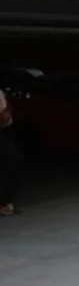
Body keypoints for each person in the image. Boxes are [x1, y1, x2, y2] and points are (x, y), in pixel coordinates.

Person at [0, 87, 21, 216]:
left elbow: (7, 101)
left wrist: (7, 111)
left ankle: (5, 203)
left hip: (4, 131)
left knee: (13, 161)